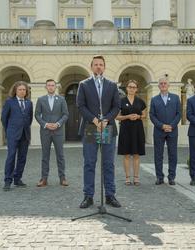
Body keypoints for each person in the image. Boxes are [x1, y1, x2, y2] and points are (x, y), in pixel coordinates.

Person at [76, 55, 121, 209]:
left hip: (107, 127)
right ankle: (88, 196)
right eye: (96, 64)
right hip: (90, 127)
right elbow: (80, 105)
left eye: (101, 64)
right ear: (91, 67)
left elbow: (116, 106)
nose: (98, 67)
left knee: (108, 163)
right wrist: (95, 120)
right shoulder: (84, 85)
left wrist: (106, 120)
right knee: (89, 163)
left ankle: (110, 195)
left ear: (104, 67)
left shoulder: (112, 85)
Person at [35, 79, 69, 187]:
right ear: (46, 87)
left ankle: (62, 178)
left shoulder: (61, 99)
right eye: (48, 85)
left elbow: (65, 114)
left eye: (52, 85)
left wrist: (58, 124)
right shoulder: (41, 99)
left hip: (58, 131)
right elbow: (37, 115)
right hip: (45, 131)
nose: (50, 87)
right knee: (45, 156)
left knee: (60, 155)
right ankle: (44, 179)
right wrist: (45, 124)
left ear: (56, 87)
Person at [1, 81, 33, 191]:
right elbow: (4, 119)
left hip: (25, 134)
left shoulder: (29, 103)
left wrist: (25, 129)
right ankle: (7, 180)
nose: (22, 91)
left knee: (22, 158)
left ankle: (17, 178)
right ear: (15, 90)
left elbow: (29, 118)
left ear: (26, 91)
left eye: (24, 89)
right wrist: (9, 131)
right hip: (12, 134)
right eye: (20, 89)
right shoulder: (9, 102)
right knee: (11, 156)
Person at [150, 76, 181, 185]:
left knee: (173, 154)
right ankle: (159, 177)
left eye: (165, 83)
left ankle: (171, 177)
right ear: (158, 86)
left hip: (172, 131)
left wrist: (171, 126)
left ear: (168, 85)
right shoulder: (154, 99)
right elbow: (152, 115)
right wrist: (162, 126)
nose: (163, 85)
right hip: (159, 131)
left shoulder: (176, 98)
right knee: (158, 155)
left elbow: (179, 114)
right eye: (161, 83)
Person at [116, 80, 146, 186]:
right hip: (125, 129)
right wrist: (127, 117)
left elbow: (144, 115)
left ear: (136, 89)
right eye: (130, 87)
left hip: (138, 129)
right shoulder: (121, 101)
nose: (132, 89)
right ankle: (127, 177)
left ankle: (136, 177)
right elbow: (117, 116)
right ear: (127, 88)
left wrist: (138, 116)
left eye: (134, 87)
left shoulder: (140, 101)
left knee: (137, 154)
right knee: (127, 154)